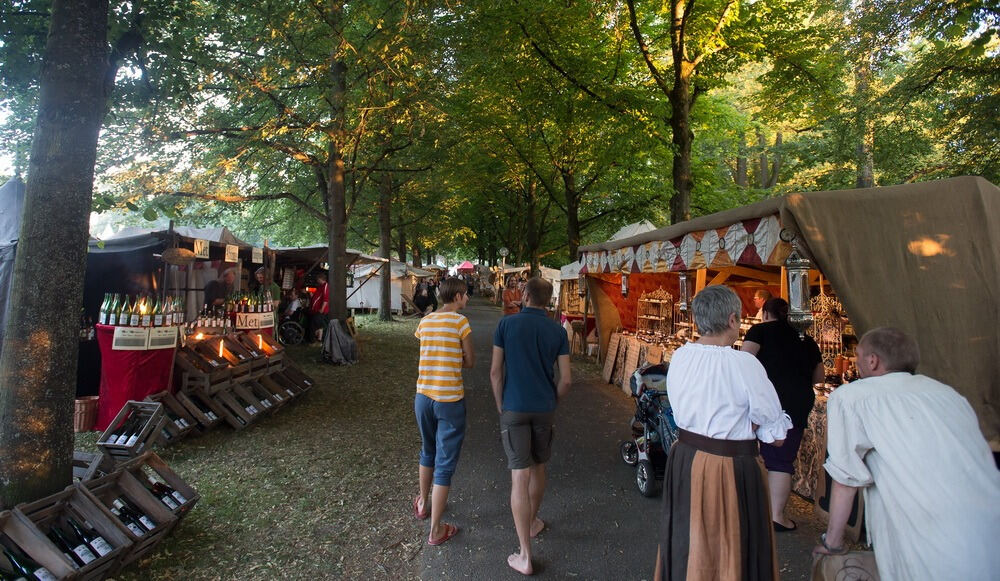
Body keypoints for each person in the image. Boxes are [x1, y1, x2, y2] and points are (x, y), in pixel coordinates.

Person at [813, 327, 1000, 580]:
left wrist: (833, 543)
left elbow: (846, 479)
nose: (856, 362)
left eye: (858, 356)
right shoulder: (948, 394)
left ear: (872, 360)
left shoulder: (851, 397)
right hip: (990, 521)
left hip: (927, 532)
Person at [655, 284, 789, 581]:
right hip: (730, 466)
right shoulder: (744, 364)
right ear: (732, 320)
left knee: (690, 538)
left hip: (685, 459)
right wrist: (750, 424)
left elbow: (684, 409)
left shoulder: (681, 356)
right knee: (730, 544)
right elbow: (776, 433)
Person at [491, 277, 571, 575]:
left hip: (514, 406)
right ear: (548, 300)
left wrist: (501, 405)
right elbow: (566, 380)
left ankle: (525, 554)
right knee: (539, 468)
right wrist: (552, 401)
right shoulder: (557, 331)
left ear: (524, 295)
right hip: (543, 408)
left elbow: (496, 372)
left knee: (519, 476)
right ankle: (533, 520)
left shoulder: (506, 325)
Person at [741, 297, 824, 532]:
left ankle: (754, 509)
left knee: (752, 452)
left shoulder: (760, 331)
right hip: (797, 402)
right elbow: (819, 378)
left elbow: (744, 363)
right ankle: (776, 516)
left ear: (766, 313)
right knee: (781, 459)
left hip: (765, 400)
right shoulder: (807, 339)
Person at [412, 278, 474, 546]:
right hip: (449, 399)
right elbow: (470, 361)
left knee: (428, 450)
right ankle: (436, 530)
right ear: (457, 296)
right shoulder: (460, 323)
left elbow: (428, 352)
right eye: (466, 295)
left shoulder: (425, 321)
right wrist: (455, 358)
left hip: (423, 396)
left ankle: (423, 503)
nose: (467, 299)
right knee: (445, 463)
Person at [309, 272, 329, 342]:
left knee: (316, 323)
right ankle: (318, 339)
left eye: (317, 279)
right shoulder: (320, 286)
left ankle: (317, 339)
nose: (316, 280)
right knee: (317, 323)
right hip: (316, 309)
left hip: (321, 310)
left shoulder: (325, 286)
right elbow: (317, 297)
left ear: (320, 279)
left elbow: (326, 299)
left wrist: (322, 309)